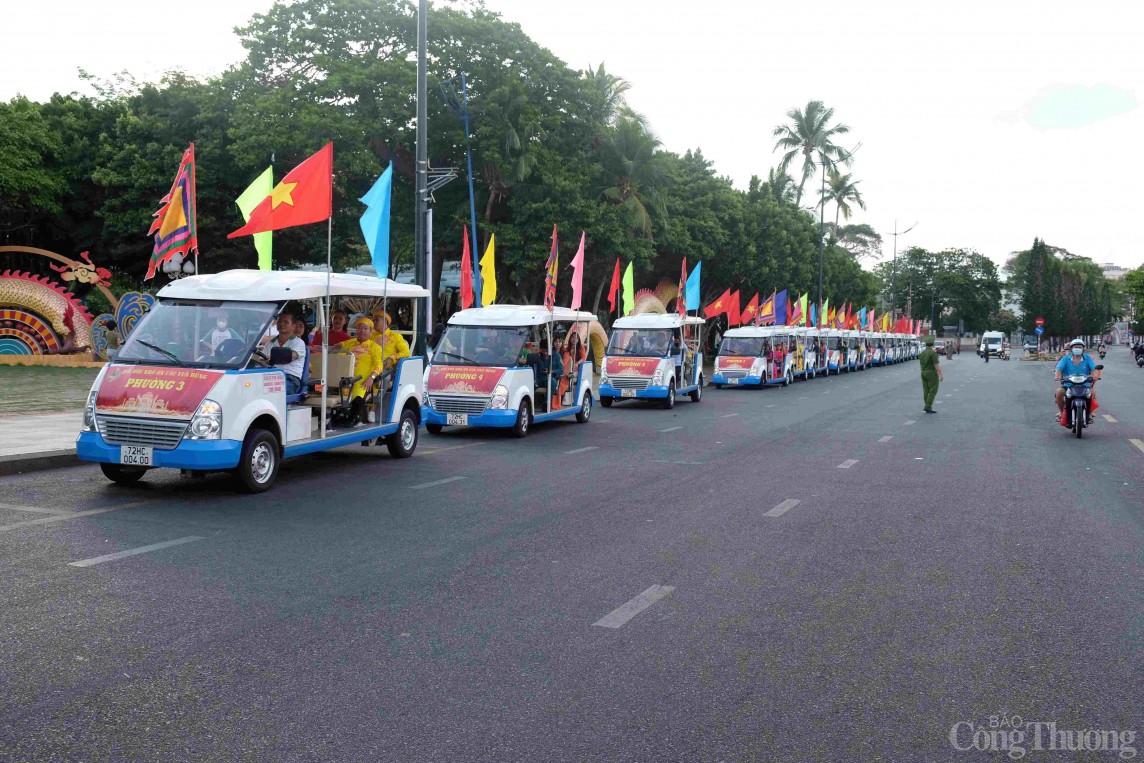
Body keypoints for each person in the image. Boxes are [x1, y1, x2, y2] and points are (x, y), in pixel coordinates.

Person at [336, 317, 385, 425]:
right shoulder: (350, 342)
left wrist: (371, 378)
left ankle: (352, 419)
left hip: (363, 379)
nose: (362, 330)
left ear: (370, 331)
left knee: (358, 398)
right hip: (345, 377)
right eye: (359, 328)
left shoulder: (375, 347)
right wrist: (339, 346)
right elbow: (340, 348)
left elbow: (379, 365)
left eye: (365, 328)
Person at [1054, 338, 1101, 425]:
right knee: (1059, 392)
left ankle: (1090, 414)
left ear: (1083, 349)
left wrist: (1095, 376)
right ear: (1071, 348)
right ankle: (1061, 412)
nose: (1077, 349)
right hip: (1068, 384)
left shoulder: (1087, 358)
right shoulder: (1066, 359)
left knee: (1092, 393)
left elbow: (1094, 369)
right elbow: (1058, 369)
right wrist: (1057, 376)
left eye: (1079, 347)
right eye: (1075, 347)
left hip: (1085, 384)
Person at [267, 311, 308, 396]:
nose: (282, 324)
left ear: (293, 326)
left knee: (271, 392)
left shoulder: (298, 342)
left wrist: (272, 359)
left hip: (290, 379)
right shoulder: (271, 343)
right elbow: (262, 360)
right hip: (270, 378)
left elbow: (290, 356)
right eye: (280, 321)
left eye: (286, 322)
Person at [526, 339, 564, 410]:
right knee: (529, 383)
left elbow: (561, 370)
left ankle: (547, 402)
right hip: (538, 378)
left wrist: (551, 371)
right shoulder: (537, 356)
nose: (545, 353)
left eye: (547, 351)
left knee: (552, 383)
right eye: (543, 351)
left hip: (550, 377)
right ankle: (528, 404)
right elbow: (529, 365)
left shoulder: (556, 356)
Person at [918, 335, 944, 413]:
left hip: (923, 372)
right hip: (931, 373)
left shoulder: (922, 353)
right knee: (933, 390)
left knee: (926, 390)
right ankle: (928, 406)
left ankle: (927, 405)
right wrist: (940, 374)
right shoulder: (932, 353)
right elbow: (936, 364)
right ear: (932, 343)